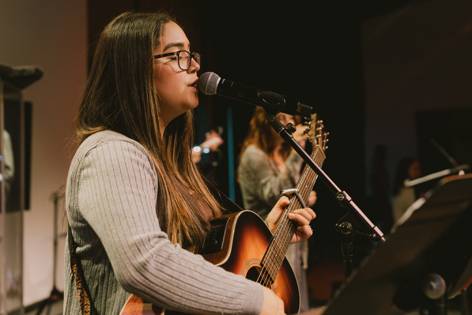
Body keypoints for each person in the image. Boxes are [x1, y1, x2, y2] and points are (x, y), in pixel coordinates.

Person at [64, 11, 316, 315]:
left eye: (191, 54)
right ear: (134, 71)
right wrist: (256, 299)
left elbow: (197, 259)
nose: (195, 65)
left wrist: (264, 238)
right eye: (177, 55)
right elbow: (146, 264)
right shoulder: (110, 152)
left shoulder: (168, 161)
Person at [238, 107, 317, 312]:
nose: (289, 123)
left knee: (296, 295)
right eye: (283, 119)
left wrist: (304, 197)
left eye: (292, 118)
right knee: (279, 301)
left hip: (288, 235)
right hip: (268, 238)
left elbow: (289, 193)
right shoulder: (253, 154)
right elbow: (273, 193)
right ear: (267, 123)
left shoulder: (280, 153)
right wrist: (298, 148)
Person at [392, 157, 422, 222]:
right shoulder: (403, 192)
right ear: (406, 170)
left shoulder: (415, 189)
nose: (419, 172)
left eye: (419, 169)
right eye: (415, 169)